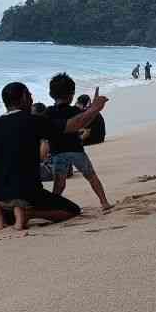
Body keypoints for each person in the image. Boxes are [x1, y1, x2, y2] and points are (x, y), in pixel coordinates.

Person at [0, 81, 108, 231]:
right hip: (27, 193)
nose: (32, 98)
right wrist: (96, 108)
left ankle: (2, 210)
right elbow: (73, 125)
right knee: (71, 210)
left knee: (15, 205)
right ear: (24, 97)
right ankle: (28, 213)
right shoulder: (32, 121)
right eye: (29, 95)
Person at [46, 74, 113, 212]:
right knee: (91, 176)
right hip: (75, 149)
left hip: (57, 152)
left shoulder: (48, 112)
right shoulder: (75, 111)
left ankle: (52, 206)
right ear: (72, 94)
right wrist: (94, 107)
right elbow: (86, 120)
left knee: (59, 183)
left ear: (51, 94)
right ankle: (104, 202)